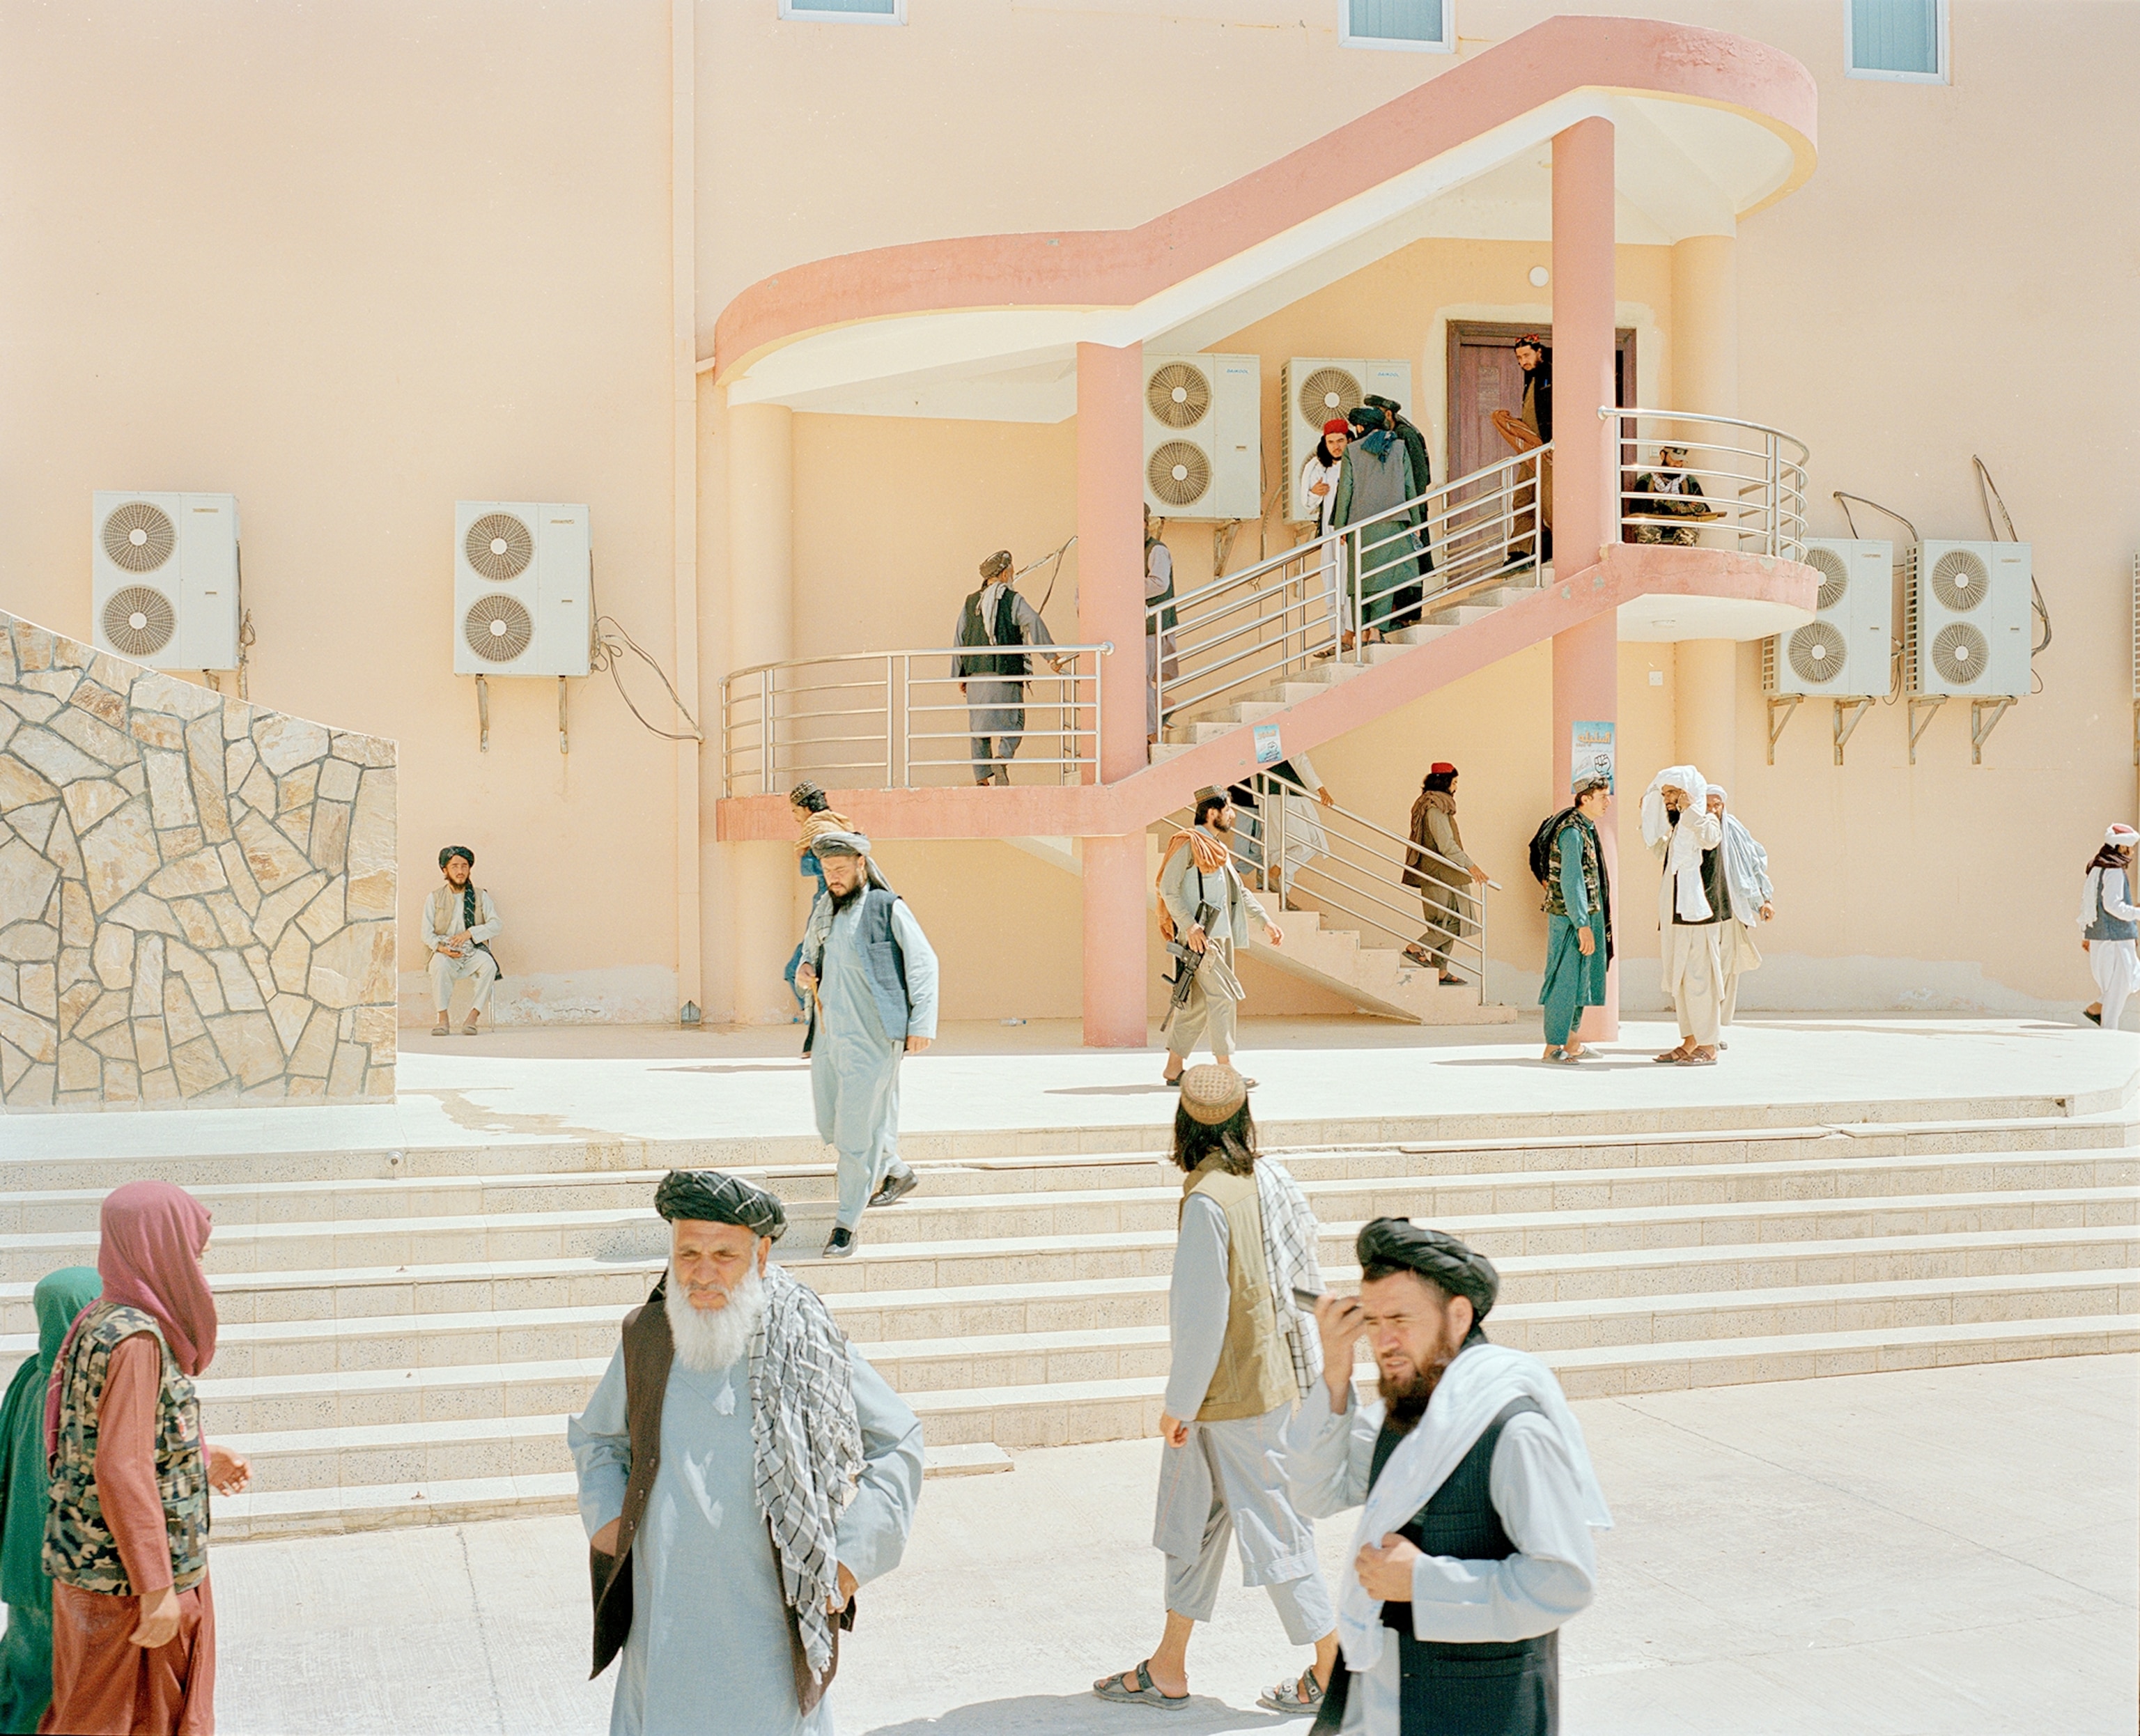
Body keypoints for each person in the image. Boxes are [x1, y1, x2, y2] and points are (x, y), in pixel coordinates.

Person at [570, 1170, 923, 1736]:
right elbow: (598, 1438)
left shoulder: (804, 1341)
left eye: (723, 1255)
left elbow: (899, 1439)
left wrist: (851, 1558)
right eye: (687, 1253)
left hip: (767, 1625)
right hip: (665, 1625)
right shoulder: (649, 1335)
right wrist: (608, 1517)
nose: (702, 1274)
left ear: (761, 1255)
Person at [1281, 1219, 1611, 1736]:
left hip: (1478, 1711)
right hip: (1381, 1697)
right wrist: (1335, 1373)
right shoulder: (1410, 1413)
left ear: (1458, 1317)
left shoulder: (1513, 1430)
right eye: (1371, 1322)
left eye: (1400, 1319)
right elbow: (1314, 1492)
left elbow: (1565, 1583)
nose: (1384, 1341)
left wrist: (1426, 1582)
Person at [1094, 1067, 1338, 1717]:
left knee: (1276, 1531)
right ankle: (1167, 1667)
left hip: (1232, 1399)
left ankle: (1337, 1668)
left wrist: (1178, 1404)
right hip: (1260, 1384)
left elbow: (1202, 1315)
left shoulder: (1206, 1199)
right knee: (1195, 1528)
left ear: (1182, 1125)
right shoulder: (1263, 1177)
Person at [41, 1182, 251, 1736]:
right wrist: (157, 1589)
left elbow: (87, 1436)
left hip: (99, 1569)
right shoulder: (137, 1340)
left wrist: (199, 1456)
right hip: (127, 1584)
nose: (199, 1260)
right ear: (156, 1248)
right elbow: (120, 1467)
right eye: (189, 1247)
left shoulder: (100, 1318)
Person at [796, 831, 938, 1259]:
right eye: (827, 871)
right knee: (835, 1121)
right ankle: (896, 1170)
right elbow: (812, 962)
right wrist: (805, 972)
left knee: (855, 1131)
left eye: (840, 869)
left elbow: (924, 964)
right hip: (829, 1036)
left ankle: (846, 1223)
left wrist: (922, 1024)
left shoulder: (887, 907)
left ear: (861, 864)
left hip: (874, 1037)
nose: (833, 878)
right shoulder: (826, 912)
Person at [0, 1268, 100, 1735]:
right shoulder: (85, 1386)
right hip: (69, 1555)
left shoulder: (28, 1375)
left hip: (23, 1549)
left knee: (27, 1662)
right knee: (67, 1670)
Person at [1158, 793, 1283, 1085]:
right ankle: (1226, 1069)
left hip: (1219, 937)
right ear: (1212, 812)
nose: (1233, 816)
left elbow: (1240, 892)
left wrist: (1265, 922)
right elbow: (1168, 888)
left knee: (1199, 1003)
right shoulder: (1188, 843)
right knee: (1223, 997)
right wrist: (1190, 927)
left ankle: (1173, 1069)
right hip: (1200, 939)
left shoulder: (1217, 850)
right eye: (1228, 811)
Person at [1640, 766, 1726, 1065]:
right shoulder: (1680, 828)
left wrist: (1689, 810)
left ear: (1687, 792)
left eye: (1672, 793)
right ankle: (1690, 1041)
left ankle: (1709, 1045)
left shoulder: (1704, 820)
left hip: (1698, 916)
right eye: (1664, 794)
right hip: (1677, 916)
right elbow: (1663, 853)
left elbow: (1711, 839)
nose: (1667, 800)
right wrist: (1650, 818)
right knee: (1681, 980)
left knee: (1701, 979)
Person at [954, 549, 1062, 786]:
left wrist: (961, 675)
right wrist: (1051, 656)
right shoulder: (1013, 599)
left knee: (978, 728)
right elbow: (1033, 620)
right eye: (1010, 572)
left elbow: (959, 637)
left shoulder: (971, 602)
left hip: (975, 676)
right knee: (1014, 721)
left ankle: (982, 780)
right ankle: (1002, 758)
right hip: (1005, 674)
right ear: (1003, 574)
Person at [1332, 405, 1423, 645]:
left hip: (1360, 526)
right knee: (1385, 579)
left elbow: (1345, 492)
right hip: (1393, 523)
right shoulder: (1399, 447)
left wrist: (1341, 527)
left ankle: (1362, 633)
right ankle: (1376, 632)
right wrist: (1415, 521)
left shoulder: (1352, 451)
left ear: (1360, 427)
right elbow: (1409, 487)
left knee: (1359, 580)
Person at [1539, 777, 1614, 1063]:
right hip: (1570, 918)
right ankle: (1553, 1045)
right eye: (1602, 796)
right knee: (1564, 980)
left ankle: (1572, 1041)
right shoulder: (1571, 832)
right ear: (1585, 799)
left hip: (1587, 915)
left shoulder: (1586, 828)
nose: (1608, 802)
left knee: (1583, 981)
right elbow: (1573, 882)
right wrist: (1582, 924)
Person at [1402, 764, 1490, 985]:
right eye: (1455, 782)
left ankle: (1440, 970)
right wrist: (1472, 867)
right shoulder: (1435, 807)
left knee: (1443, 923)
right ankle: (1417, 947)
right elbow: (1446, 845)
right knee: (1455, 921)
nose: (1457, 787)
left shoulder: (1431, 804)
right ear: (1445, 782)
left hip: (1441, 873)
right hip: (1441, 874)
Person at [1361, 394, 1434, 626]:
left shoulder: (1405, 435)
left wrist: (1411, 509)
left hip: (1409, 508)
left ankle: (1406, 615)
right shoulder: (1393, 434)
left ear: (1388, 414)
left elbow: (1417, 476)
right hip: (1400, 508)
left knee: (1409, 561)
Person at [1705, 786, 1774, 1027]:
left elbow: (1753, 864)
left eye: (1717, 805)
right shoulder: (1696, 829)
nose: (1713, 810)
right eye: (1708, 805)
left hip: (1732, 910)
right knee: (1706, 971)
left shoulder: (1735, 830)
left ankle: (1719, 1027)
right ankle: (1706, 1028)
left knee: (1729, 970)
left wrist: (1764, 900)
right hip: (1704, 911)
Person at [784, 783, 852, 1023]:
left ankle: (817, 1018)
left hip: (827, 907)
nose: (794, 818)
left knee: (796, 969)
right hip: (838, 905)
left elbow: (812, 866)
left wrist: (801, 855)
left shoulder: (819, 831)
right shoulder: (834, 825)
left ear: (805, 808)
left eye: (794, 811)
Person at [423, 844, 501, 1036]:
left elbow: (496, 925)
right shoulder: (434, 898)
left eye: (464, 866)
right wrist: (443, 949)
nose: (460, 871)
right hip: (445, 951)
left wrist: (470, 934)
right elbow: (426, 934)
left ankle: (473, 1018)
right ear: (445, 870)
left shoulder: (480, 896)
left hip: (472, 949)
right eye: (455, 866)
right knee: (439, 965)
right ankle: (442, 1020)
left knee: (489, 965)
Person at [1492, 336, 1553, 566]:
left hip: (1548, 451)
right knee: (1522, 499)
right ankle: (1520, 552)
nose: (1522, 361)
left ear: (1539, 352)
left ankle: (1551, 549)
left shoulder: (1551, 374)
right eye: (1519, 358)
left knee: (1548, 504)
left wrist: (1550, 443)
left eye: (1526, 355)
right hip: (1531, 453)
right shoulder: (1530, 378)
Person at [2079, 823, 2140, 1030]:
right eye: (2130, 848)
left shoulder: (2098, 866)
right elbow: (2112, 906)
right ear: (2123, 848)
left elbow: (2089, 904)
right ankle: (2108, 1029)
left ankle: (2098, 1010)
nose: (2132, 852)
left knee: (2117, 985)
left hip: (2103, 937)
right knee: (2121, 985)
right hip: (2117, 938)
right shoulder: (2113, 870)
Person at [1298, 419, 1350, 648]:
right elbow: (1306, 503)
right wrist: (1315, 492)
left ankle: (1350, 633)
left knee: (1350, 583)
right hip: (1330, 535)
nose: (1336, 446)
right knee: (1331, 581)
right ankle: (1335, 634)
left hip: (1350, 532)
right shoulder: (1316, 466)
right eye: (1331, 442)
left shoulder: (1355, 462)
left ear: (1349, 439)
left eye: (1340, 441)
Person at [1266, 754, 1335, 910]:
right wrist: (1321, 790)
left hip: (1287, 792)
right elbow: (1300, 759)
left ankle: (1282, 896)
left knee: (1286, 849)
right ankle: (1274, 874)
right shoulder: (1283, 732)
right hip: (1283, 793)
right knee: (1305, 844)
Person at [1625, 446, 1712, 545]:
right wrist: (1660, 504)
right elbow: (1635, 510)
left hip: (1680, 524)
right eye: (1674, 459)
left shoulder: (1689, 482)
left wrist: (1690, 508)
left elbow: (1705, 509)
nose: (1677, 464)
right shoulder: (1646, 481)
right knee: (1646, 531)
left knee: (1690, 532)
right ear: (1663, 455)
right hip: (1654, 525)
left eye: (1681, 461)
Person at [1146, 509, 1180, 747]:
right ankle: (1162, 704)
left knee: (1137, 680)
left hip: (1154, 628)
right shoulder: (1131, 549)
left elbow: (1159, 584)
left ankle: (1151, 733)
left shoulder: (1156, 549)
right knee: (1138, 680)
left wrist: (1120, 586)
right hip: (1141, 629)